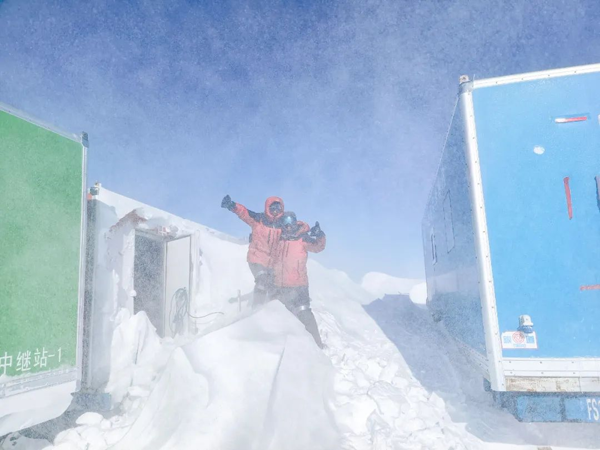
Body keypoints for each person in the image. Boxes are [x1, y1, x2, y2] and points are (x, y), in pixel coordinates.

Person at [271, 211, 326, 348]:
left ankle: (317, 345)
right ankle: (287, 347)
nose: (288, 225)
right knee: (281, 316)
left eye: (291, 221)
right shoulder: (279, 240)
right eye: (285, 222)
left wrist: (319, 235)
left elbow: (318, 247)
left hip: (299, 286)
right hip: (280, 286)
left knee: (304, 314)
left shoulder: (303, 239)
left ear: (295, 222)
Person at [221, 195, 284, 306]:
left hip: (271, 263)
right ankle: (256, 309)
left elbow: (295, 232)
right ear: (268, 208)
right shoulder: (259, 220)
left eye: (278, 208)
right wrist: (232, 205)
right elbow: (244, 213)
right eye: (273, 208)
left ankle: (271, 310)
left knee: (274, 287)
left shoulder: (282, 226)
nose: (275, 211)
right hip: (257, 258)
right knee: (262, 280)